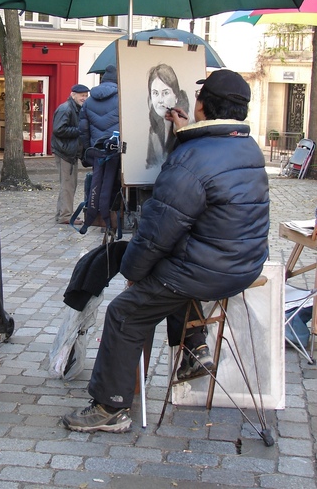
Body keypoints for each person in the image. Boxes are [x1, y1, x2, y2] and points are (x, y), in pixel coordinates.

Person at [62, 69, 269, 433]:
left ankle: (110, 408)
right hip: (245, 264)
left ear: (201, 106)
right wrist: (184, 134)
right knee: (171, 278)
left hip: (208, 270)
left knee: (126, 312)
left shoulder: (191, 160)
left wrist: (131, 271)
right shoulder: (245, 146)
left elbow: (158, 233)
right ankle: (194, 350)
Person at [79, 65, 120, 233]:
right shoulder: (121, 98)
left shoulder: (89, 100)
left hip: (97, 150)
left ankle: (91, 218)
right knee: (112, 183)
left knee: (97, 181)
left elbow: (83, 130)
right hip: (115, 150)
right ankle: (109, 221)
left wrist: (89, 147)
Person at [51, 84, 89, 225]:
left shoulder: (74, 108)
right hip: (65, 152)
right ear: (73, 95)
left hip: (68, 151)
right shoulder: (66, 108)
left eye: (86, 95)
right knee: (68, 185)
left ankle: (62, 213)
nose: (84, 98)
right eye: (82, 95)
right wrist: (79, 130)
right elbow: (58, 130)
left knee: (68, 185)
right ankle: (65, 216)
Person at [146, 63, 189, 168]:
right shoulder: (153, 129)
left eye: (165, 93)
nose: (160, 100)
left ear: (176, 96)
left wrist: (182, 133)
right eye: (155, 93)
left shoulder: (188, 125)